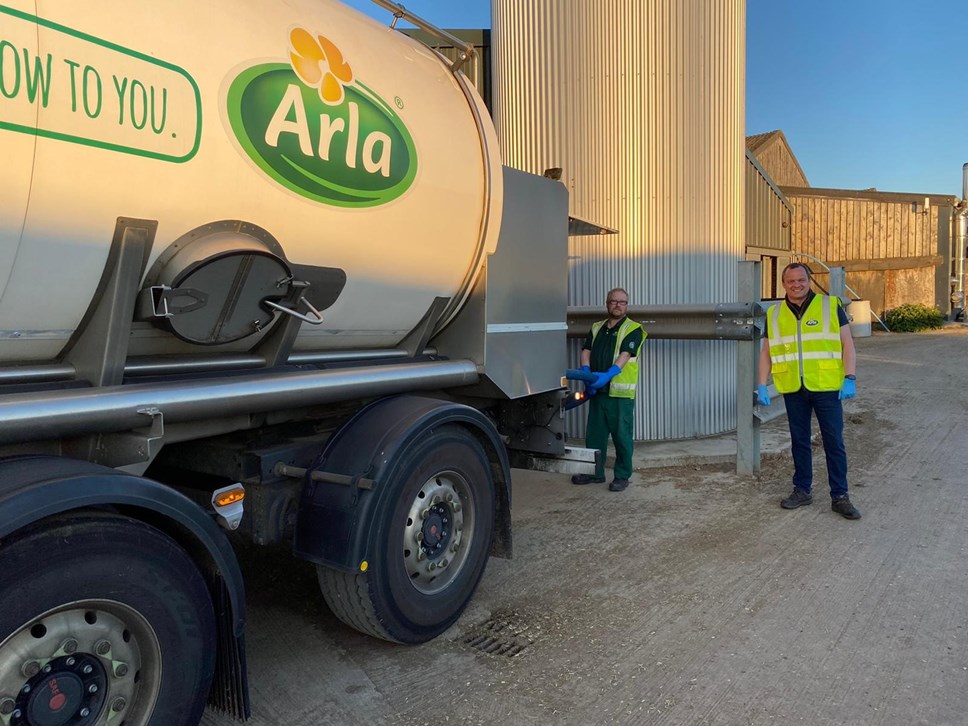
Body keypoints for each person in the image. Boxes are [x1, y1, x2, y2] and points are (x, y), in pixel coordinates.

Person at [757, 263, 861, 519]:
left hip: (826, 386)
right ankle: (802, 490)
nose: (796, 285)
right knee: (799, 441)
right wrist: (761, 384)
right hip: (793, 387)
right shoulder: (775, 313)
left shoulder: (829, 305)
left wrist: (849, 377)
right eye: (791, 281)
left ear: (809, 280)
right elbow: (767, 351)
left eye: (801, 279)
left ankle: (840, 496)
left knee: (833, 441)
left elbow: (847, 343)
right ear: (784, 284)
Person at [571, 288, 646, 492]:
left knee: (622, 437)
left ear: (627, 305)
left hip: (619, 395)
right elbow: (586, 349)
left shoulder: (633, 328)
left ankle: (622, 476)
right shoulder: (597, 327)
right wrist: (586, 371)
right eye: (614, 301)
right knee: (595, 435)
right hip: (597, 392)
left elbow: (625, 354)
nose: (618, 305)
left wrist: (609, 374)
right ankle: (594, 473)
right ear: (607, 303)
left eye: (622, 302)